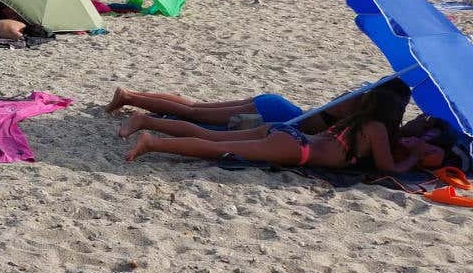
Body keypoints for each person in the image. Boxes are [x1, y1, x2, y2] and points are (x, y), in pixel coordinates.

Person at [125, 87, 410, 170]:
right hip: (295, 146)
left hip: (285, 129)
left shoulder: (355, 116)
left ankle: (148, 123)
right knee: (215, 146)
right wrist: (413, 157)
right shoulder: (376, 129)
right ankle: (153, 141)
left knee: (208, 129)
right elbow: (387, 167)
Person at [109, 79, 411, 136]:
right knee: (195, 114)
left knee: (195, 106)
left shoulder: (358, 96)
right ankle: (131, 98)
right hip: (272, 115)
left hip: (278, 105)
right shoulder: (360, 112)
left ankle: (132, 94)